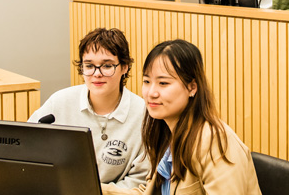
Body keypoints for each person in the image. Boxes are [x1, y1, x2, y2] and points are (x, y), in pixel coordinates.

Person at [101, 39, 262, 195]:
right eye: (147, 81)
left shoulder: (215, 141)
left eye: (163, 83)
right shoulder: (167, 134)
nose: (151, 93)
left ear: (192, 87)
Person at [29, 28, 150, 189]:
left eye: (107, 66)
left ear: (124, 67)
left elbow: (140, 181)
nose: (96, 74)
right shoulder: (60, 101)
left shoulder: (144, 114)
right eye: (89, 65)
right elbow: (27, 147)